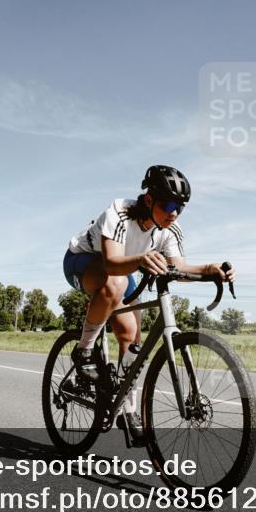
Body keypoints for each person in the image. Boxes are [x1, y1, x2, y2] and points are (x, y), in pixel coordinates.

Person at [63, 165, 235, 442]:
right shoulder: (121, 212)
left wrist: (211, 269)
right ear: (148, 200)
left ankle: (128, 409)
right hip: (83, 261)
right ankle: (83, 351)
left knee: (131, 337)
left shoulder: (170, 230)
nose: (174, 212)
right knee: (115, 283)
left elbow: (179, 270)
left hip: (124, 269)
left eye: (180, 206)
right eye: (168, 204)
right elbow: (110, 263)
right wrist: (142, 260)